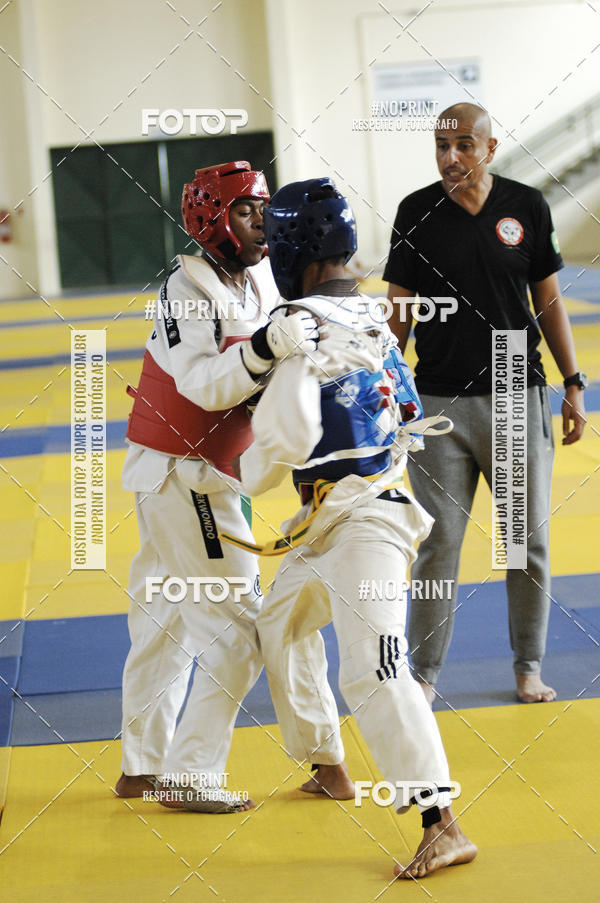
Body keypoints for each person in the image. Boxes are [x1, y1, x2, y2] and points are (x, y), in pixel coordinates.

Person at [232, 177, 477, 876]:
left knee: (373, 668)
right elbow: (402, 412)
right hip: (336, 519)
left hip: (364, 521)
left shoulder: (296, 327)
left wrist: (237, 474)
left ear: (293, 250)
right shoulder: (371, 317)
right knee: (279, 624)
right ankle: (328, 762)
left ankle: (442, 820)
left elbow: (287, 435)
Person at [116, 161, 352, 812]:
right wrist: (267, 349)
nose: (262, 224)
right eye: (247, 211)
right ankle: (189, 774)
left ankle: (140, 764)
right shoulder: (187, 287)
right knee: (237, 635)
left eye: (264, 210)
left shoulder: (254, 283)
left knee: (165, 623)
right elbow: (201, 383)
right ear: (211, 218)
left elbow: (271, 366)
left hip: (188, 474)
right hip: (183, 477)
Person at [383, 103, 587, 705]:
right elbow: (398, 311)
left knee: (522, 540)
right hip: (436, 402)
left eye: (464, 145)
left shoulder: (527, 206)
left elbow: (549, 302)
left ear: (490, 148)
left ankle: (528, 665)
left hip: (514, 395)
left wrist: (573, 381)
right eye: (442, 145)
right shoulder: (416, 212)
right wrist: (385, 393)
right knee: (436, 544)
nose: (451, 157)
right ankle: (421, 677)